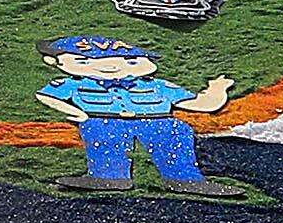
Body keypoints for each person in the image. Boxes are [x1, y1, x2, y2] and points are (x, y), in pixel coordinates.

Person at [34, 34, 236, 196]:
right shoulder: (73, 84)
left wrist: (218, 89)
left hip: (160, 120)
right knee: (103, 138)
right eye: (84, 60)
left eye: (130, 61)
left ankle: (186, 179)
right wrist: (77, 114)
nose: (111, 66)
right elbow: (47, 96)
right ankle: (109, 177)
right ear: (54, 61)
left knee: (176, 135)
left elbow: (203, 104)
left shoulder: (159, 86)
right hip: (104, 119)